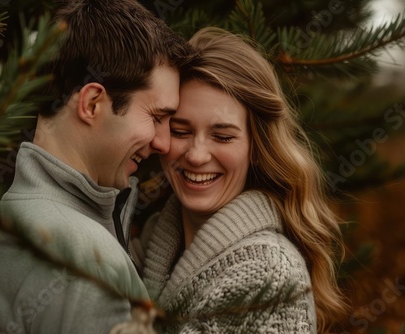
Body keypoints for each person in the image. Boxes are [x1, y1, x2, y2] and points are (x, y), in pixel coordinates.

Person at [0, 1, 193, 333]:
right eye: (157, 117)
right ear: (91, 103)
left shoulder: (17, 215)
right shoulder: (85, 259)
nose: (164, 142)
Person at [136, 27, 348, 333]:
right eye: (180, 131)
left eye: (222, 136)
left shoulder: (269, 276)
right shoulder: (152, 242)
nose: (196, 156)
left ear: (257, 148)